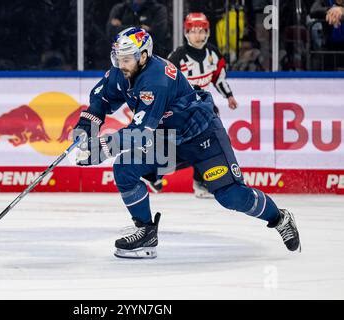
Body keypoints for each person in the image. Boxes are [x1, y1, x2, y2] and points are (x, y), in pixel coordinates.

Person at [73, 27, 301, 259]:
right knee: (125, 168)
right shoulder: (120, 72)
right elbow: (101, 100)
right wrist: (86, 125)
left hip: (202, 136)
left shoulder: (156, 79)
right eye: (118, 58)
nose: (121, 64)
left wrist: (102, 147)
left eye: (127, 59)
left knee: (230, 195)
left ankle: (280, 218)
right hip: (168, 140)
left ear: (143, 56)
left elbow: (140, 132)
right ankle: (146, 230)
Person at [148, 13, 239, 198]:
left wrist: (228, 95)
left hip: (204, 107)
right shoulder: (178, 56)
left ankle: (200, 182)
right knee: (183, 148)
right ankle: (153, 172)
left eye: (201, 31)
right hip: (182, 110)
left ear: (207, 32)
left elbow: (218, 78)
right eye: (193, 31)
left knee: (211, 143)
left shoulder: (213, 54)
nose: (198, 35)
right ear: (186, 33)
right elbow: (165, 83)